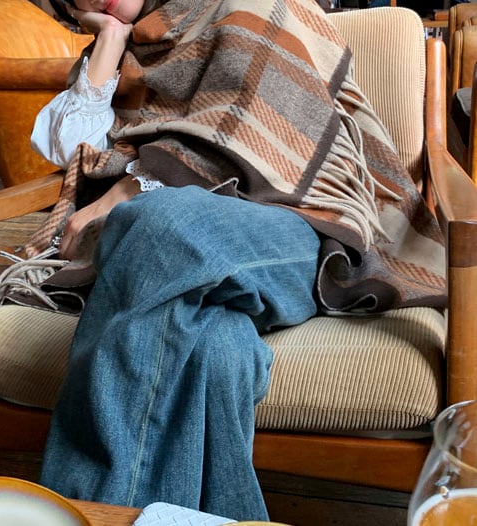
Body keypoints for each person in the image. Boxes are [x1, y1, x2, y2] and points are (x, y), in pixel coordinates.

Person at [28, 0, 446, 521]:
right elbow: (71, 151)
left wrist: (127, 190)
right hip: (177, 259)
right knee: (215, 349)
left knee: (155, 224)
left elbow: (254, 121)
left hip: (297, 223)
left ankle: (82, 513)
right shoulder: (120, 54)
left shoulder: (247, 4)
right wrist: (110, 40)